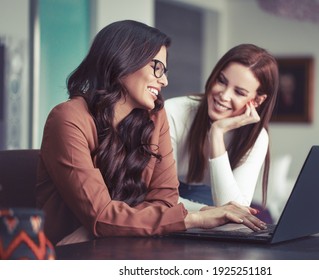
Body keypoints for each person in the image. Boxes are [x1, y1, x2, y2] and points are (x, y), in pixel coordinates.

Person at [35, 20, 266, 246]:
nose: (164, 80)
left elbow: (164, 201)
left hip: (126, 245)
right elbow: (102, 216)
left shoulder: (154, 116)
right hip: (66, 253)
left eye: (164, 70)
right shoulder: (67, 118)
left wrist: (105, 224)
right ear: (123, 59)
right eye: (157, 67)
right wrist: (195, 218)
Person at [165, 44, 279, 214]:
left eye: (239, 92)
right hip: (172, 205)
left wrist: (216, 134)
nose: (224, 96)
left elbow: (236, 209)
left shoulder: (256, 137)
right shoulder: (173, 111)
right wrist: (211, 214)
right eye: (221, 81)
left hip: (214, 206)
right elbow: (160, 197)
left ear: (257, 101)